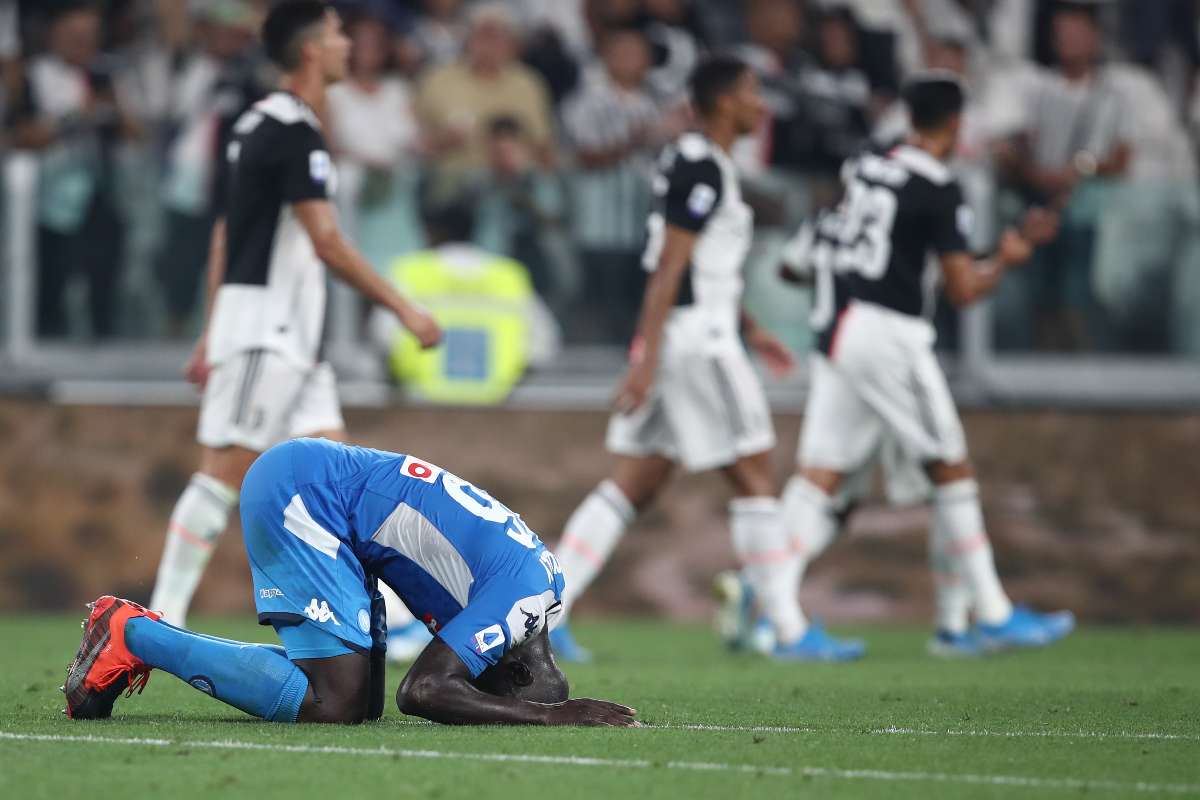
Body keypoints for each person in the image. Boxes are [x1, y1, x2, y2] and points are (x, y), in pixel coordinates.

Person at [549, 56, 862, 664]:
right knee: (753, 472)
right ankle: (789, 631)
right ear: (723, 101)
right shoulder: (698, 162)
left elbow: (699, 266)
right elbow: (670, 266)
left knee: (635, 481)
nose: (760, 105)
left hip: (695, 334)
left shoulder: (702, 163)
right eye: (750, 93)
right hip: (696, 343)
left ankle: (545, 614)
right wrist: (646, 355)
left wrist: (751, 326)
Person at [146, 0, 441, 628]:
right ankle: (158, 621)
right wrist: (406, 309)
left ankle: (382, 615)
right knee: (224, 469)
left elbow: (229, 229)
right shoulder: (290, 130)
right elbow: (327, 241)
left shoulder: (261, 123)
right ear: (311, 50)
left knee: (338, 481)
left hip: (288, 338)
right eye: (337, 34)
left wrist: (209, 326)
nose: (346, 44)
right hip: (267, 330)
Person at [775, 72, 1074, 657]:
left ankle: (773, 609)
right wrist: (1008, 260)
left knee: (822, 476)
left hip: (843, 328)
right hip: (889, 334)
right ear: (958, 125)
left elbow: (894, 252)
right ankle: (990, 612)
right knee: (950, 466)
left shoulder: (868, 165)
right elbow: (962, 289)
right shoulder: (939, 186)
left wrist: (993, 252)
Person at [64, 438, 637, 727]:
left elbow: (421, 688)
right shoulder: (514, 606)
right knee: (332, 702)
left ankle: (134, 633)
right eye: (494, 696)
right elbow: (425, 691)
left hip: (332, 496)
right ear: (512, 667)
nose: (480, 696)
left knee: (360, 703)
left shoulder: (542, 587)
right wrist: (549, 715)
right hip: (311, 494)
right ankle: (132, 632)